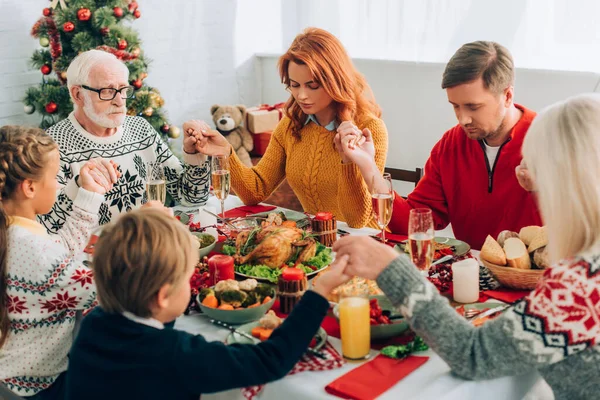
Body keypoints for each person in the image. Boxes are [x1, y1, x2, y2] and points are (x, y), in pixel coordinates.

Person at [333, 93, 600, 399]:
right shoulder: (451, 145)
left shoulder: (577, 288)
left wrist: (392, 269)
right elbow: (416, 217)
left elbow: (474, 355)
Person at [65, 208, 351, 399]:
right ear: (163, 296)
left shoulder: (95, 323)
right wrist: (319, 292)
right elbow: (270, 361)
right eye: (187, 277)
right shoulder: (175, 355)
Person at [337, 41, 541, 249]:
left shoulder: (550, 140)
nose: (463, 119)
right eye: (456, 106)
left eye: (473, 107)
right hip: (469, 272)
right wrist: (367, 164)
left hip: (536, 276)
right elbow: (410, 225)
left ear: (507, 96)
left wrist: (541, 191)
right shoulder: (451, 145)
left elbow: (573, 234)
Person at [184, 28, 388, 228]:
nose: (301, 96)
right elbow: (255, 190)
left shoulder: (370, 129)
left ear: (335, 80)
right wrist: (225, 152)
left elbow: (356, 221)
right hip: (318, 242)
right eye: (294, 85)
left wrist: (348, 161)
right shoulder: (290, 125)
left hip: (365, 242)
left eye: (312, 85)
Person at [41, 49, 210, 234]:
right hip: (95, 257)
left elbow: (191, 198)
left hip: (152, 245)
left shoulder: (140, 128)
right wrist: (78, 186)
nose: (120, 101)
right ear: (78, 95)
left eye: (123, 90)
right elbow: (48, 227)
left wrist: (194, 156)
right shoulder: (52, 145)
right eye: (107, 91)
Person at [0, 126, 109, 398]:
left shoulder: (16, 234)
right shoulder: (38, 254)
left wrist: (90, 194)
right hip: (39, 388)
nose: (59, 185)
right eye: (55, 177)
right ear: (30, 187)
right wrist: (147, 231)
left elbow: (59, 251)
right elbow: (112, 290)